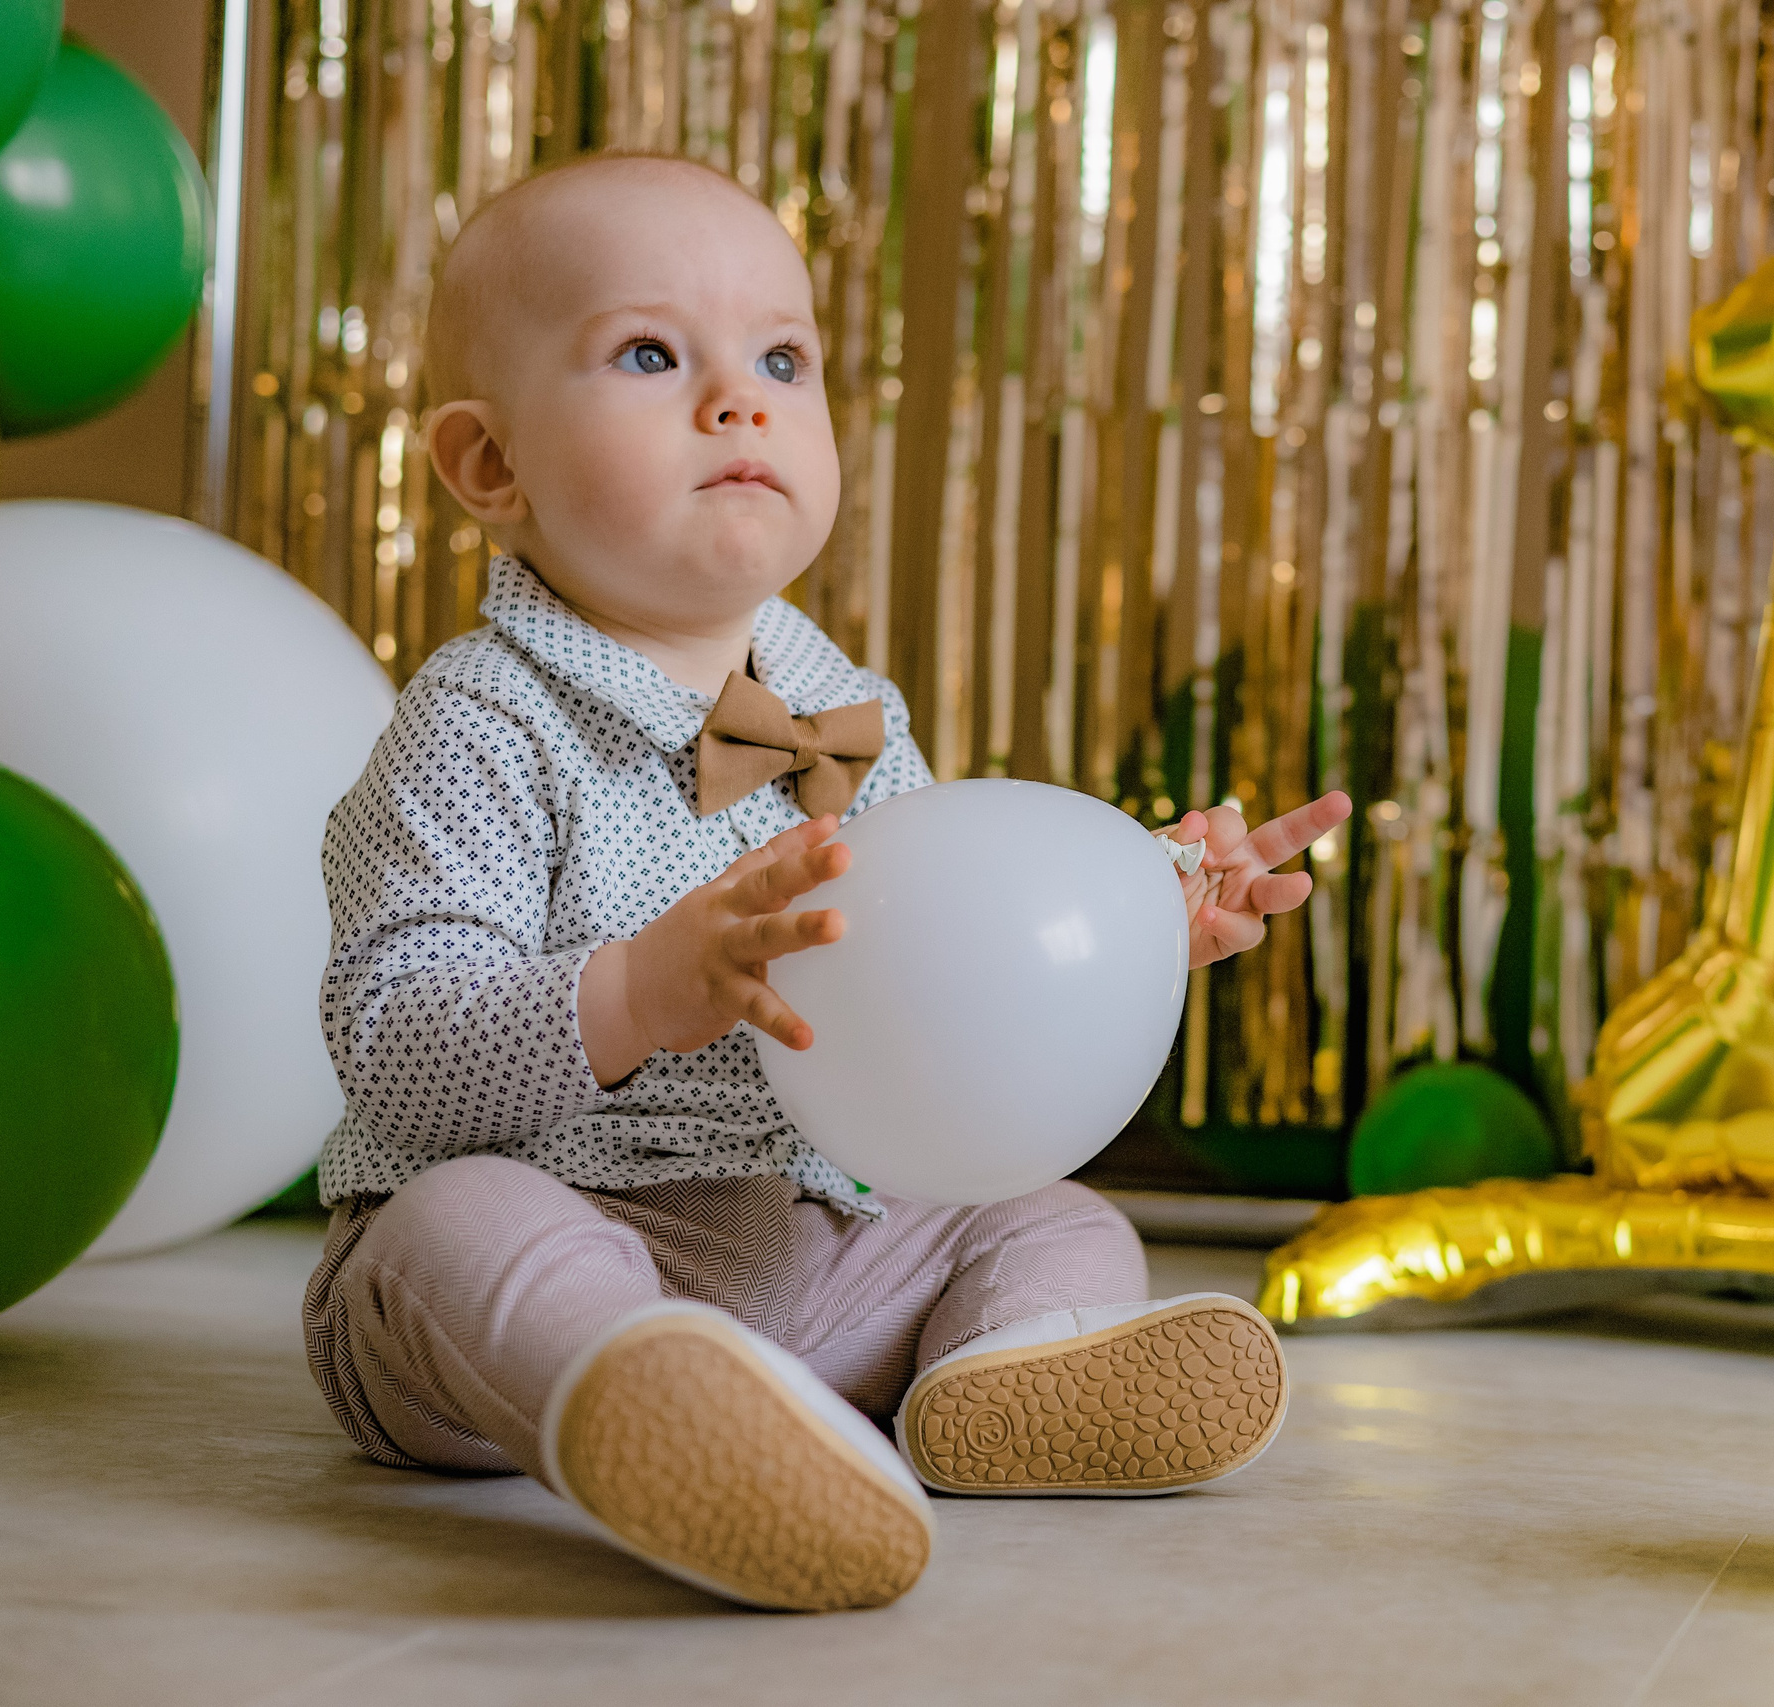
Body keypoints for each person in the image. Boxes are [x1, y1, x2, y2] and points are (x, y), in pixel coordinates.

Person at [305, 151, 1353, 1614]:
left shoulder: (849, 710)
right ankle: (637, 1401)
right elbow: (396, 1052)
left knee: (1050, 1217)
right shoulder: (478, 719)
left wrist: (1123, 920)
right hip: (573, 1229)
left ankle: (998, 1384)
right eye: (652, 352)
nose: (738, 398)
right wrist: (641, 987)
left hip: (819, 1245)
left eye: (781, 359)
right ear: (491, 465)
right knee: (455, 1229)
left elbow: (935, 994)